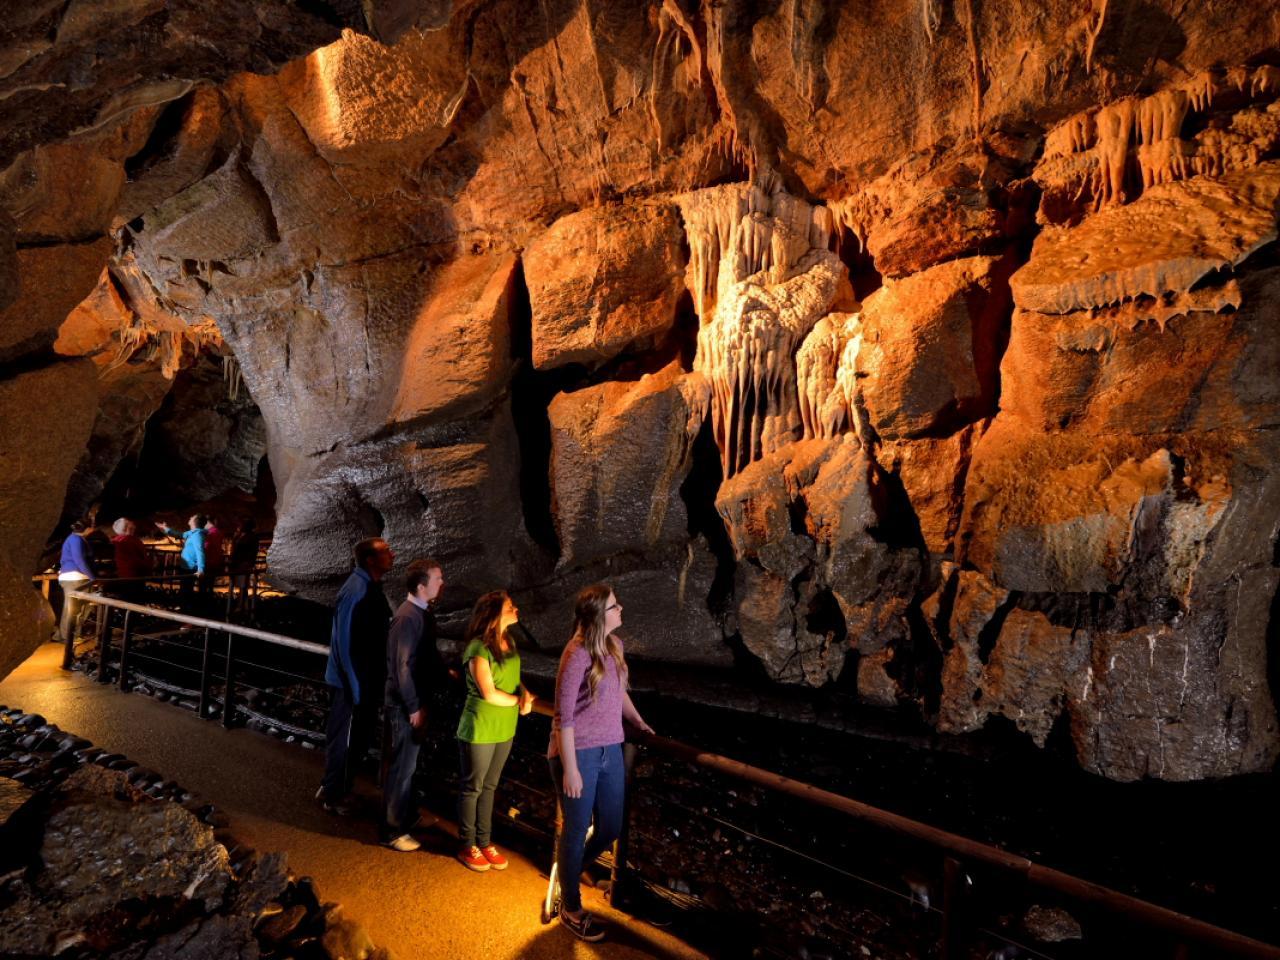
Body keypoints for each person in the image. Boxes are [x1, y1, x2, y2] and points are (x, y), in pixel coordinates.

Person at [548, 584, 653, 941]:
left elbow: (619, 690)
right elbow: (564, 717)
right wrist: (572, 768)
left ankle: (569, 870)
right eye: (614, 606)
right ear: (597, 615)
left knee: (609, 827)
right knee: (576, 829)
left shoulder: (615, 646)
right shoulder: (576, 654)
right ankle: (571, 907)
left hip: (613, 747)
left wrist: (637, 721)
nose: (621, 609)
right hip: (580, 753)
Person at [456, 590, 534, 872]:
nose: (516, 608)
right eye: (510, 606)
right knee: (473, 787)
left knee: (489, 786)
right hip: (481, 725)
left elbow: (513, 678)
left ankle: (485, 841)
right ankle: (468, 844)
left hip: (504, 726)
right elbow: (488, 692)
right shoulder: (478, 648)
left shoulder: (509, 642)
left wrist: (524, 692)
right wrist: (519, 700)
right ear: (495, 613)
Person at [317, 537, 394, 817]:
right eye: (386, 552)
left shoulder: (368, 587)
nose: (392, 554)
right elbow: (346, 641)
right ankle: (334, 796)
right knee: (346, 739)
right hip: (353, 684)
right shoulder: (358, 590)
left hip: (361, 681)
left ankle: (335, 787)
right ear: (371, 560)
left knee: (356, 739)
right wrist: (356, 685)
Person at [381, 558, 448, 851]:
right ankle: (391, 830)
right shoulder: (408, 618)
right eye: (437, 579)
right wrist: (412, 707)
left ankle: (404, 816)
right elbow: (402, 666)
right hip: (407, 703)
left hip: (415, 699)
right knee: (402, 767)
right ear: (421, 586)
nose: (441, 582)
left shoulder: (419, 614)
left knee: (408, 765)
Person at [57, 520, 96, 649]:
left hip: (76, 577)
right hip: (74, 577)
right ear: (87, 528)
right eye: (91, 527)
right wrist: (92, 577)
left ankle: (68, 634)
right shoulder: (75, 540)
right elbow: (79, 559)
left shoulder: (78, 539)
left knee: (78, 607)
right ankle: (67, 636)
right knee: (72, 608)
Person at [155, 515, 207, 599]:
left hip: (190, 567)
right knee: (184, 589)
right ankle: (184, 607)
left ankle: (185, 609)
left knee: (186, 590)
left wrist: (201, 569)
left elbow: (200, 551)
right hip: (186, 566)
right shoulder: (192, 533)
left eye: (191, 517)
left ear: (194, 522)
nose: (189, 518)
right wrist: (165, 528)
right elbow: (179, 535)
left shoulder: (197, 535)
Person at [110, 518, 150, 602]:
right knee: (135, 601)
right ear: (126, 529)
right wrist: (148, 566)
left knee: (124, 600)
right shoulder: (132, 541)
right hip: (134, 576)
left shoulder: (115, 540)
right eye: (131, 526)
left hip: (120, 575)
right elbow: (140, 559)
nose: (134, 527)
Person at [228, 517, 259, 613]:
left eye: (240, 525)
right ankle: (245, 606)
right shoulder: (242, 536)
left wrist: (249, 562)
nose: (238, 527)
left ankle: (240, 606)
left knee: (242, 585)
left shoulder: (250, 537)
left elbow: (247, 551)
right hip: (239, 564)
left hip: (243, 564)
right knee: (242, 585)